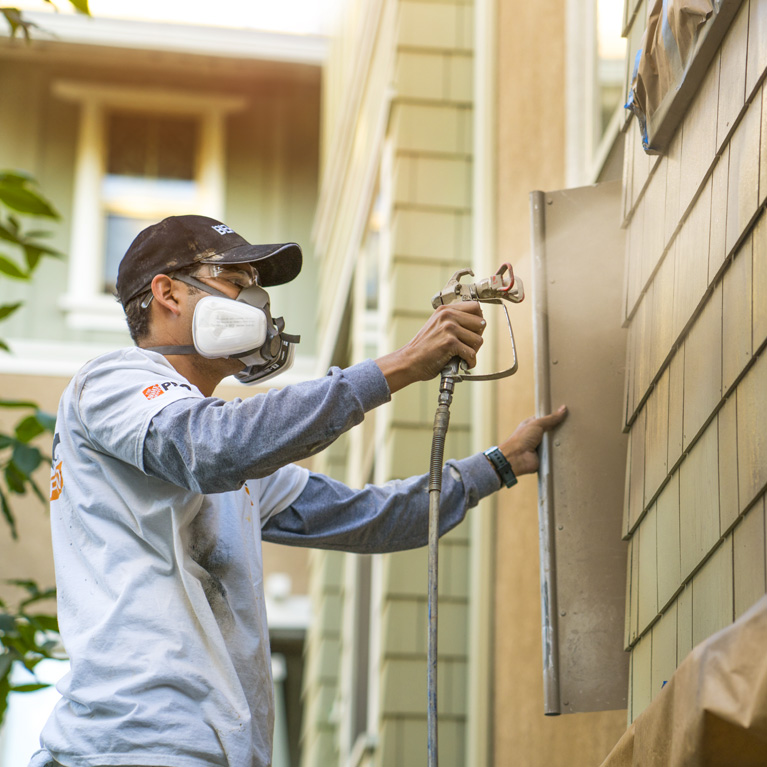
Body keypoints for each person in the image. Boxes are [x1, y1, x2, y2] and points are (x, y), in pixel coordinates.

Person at [32, 215, 566, 767]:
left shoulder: (236, 455)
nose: (255, 304)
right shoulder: (113, 382)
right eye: (236, 283)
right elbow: (207, 447)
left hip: (206, 749)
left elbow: (368, 518)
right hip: (133, 745)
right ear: (167, 292)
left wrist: (498, 464)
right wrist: (401, 364)